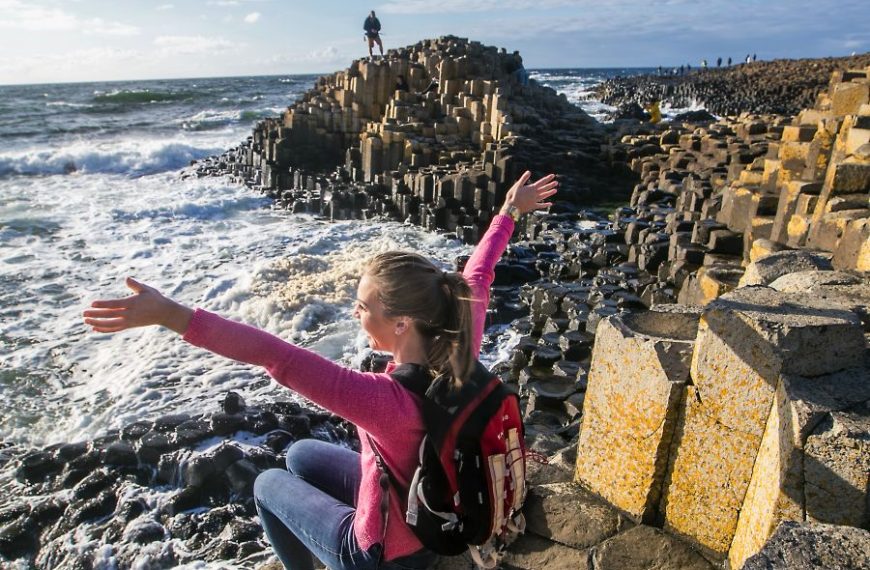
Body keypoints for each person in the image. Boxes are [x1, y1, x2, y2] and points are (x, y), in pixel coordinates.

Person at [82, 172, 558, 570]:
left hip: (384, 552)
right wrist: (508, 213)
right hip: (428, 502)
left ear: (401, 323)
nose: (355, 314)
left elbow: (276, 355)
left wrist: (172, 315)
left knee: (268, 484)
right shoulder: (460, 346)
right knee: (302, 454)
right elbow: (478, 275)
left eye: (361, 306)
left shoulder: (380, 399)